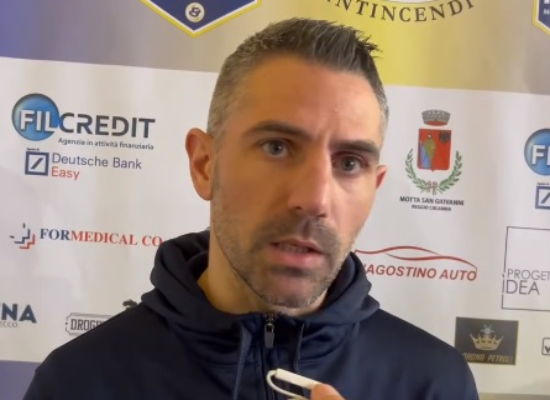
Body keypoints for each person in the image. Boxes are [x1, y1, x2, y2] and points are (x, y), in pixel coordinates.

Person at [23, 17, 479, 400]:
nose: (315, 199)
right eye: (277, 147)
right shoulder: (79, 382)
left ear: (374, 187)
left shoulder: (435, 383)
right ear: (205, 165)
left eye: (349, 163)